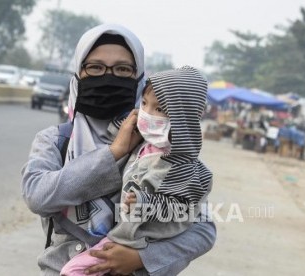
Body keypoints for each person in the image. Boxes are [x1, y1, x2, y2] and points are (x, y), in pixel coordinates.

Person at [21, 23, 216, 276]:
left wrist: (141, 258)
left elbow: (202, 228)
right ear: (78, 74)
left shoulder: (160, 147)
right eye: (95, 67)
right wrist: (113, 153)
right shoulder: (56, 141)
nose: (108, 77)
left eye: (123, 69)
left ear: (139, 78)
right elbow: (38, 196)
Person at [60, 67, 213, 276]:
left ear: (182, 117)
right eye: (144, 104)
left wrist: (146, 203)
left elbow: (184, 209)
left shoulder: (181, 165)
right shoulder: (144, 144)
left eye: (160, 109)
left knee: (73, 271)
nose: (147, 114)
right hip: (121, 236)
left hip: (138, 242)